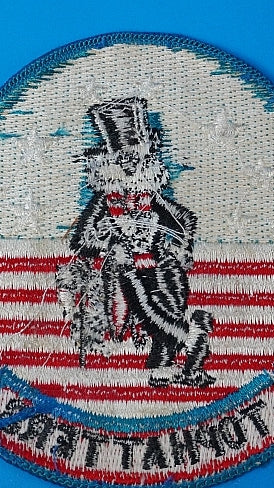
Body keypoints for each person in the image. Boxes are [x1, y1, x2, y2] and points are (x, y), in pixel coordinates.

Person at [56, 97, 215, 388]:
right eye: (123, 159)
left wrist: (183, 248)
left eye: (136, 158)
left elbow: (184, 220)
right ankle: (193, 337)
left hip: (161, 266)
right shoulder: (105, 201)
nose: (130, 164)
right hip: (124, 270)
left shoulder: (150, 198)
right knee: (150, 310)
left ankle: (164, 368)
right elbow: (80, 240)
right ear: (109, 161)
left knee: (169, 305)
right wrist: (104, 237)